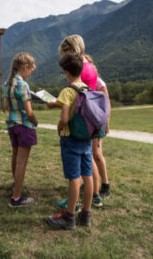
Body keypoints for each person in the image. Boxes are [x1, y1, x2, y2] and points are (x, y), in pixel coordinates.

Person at [50, 35, 104, 209]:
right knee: (87, 165)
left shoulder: (81, 73)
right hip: (89, 124)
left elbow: (74, 103)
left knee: (76, 172)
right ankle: (90, 200)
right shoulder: (90, 68)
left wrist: (60, 122)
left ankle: (76, 203)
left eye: (65, 55)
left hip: (78, 126)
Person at [47, 53, 93, 230]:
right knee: (87, 176)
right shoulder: (87, 89)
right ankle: (86, 214)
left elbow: (65, 118)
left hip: (71, 139)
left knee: (74, 178)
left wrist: (59, 126)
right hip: (86, 140)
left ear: (66, 72)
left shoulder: (67, 91)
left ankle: (69, 217)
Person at [3, 52, 38, 208]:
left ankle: (15, 185)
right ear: (25, 67)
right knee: (22, 162)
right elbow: (29, 111)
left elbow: (5, 106)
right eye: (31, 70)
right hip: (24, 126)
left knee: (16, 157)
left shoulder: (7, 84)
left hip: (12, 125)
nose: (30, 74)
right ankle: (16, 198)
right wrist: (35, 121)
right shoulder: (23, 85)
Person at [94, 76, 111, 199]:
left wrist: (107, 123)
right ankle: (93, 182)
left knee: (97, 155)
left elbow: (107, 104)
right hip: (87, 122)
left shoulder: (99, 82)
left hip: (98, 122)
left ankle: (105, 185)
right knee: (89, 155)